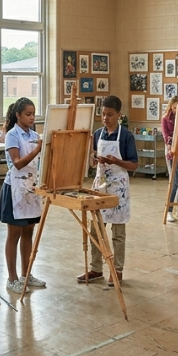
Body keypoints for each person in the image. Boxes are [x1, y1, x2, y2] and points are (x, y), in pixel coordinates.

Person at [77, 96, 138, 286]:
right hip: (100, 185)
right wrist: (96, 160)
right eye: (103, 114)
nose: (105, 118)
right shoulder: (97, 134)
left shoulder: (126, 136)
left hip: (118, 187)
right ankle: (96, 268)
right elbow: (93, 158)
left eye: (110, 115)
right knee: (95, 229)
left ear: (119, 115)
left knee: (118, 232)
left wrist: (116, 161)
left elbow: (134, 165)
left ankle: (117, 270)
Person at [0, 98, 46, 292]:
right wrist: (38, 149)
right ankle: (12, 278)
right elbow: (17, 163)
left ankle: (27, 274)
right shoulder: (12, 135)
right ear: (18, 115)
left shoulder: (34, 135)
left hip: (31, 188)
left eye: (33, 114)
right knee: (14, 234)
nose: (32, 117)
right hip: (15, 189)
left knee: (28, 232)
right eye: (28, 114)